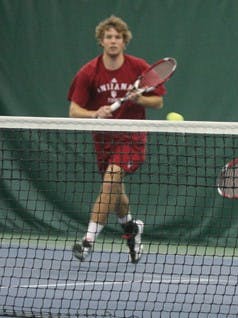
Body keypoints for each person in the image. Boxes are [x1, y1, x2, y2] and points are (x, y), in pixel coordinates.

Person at [67, 15, 166, 263]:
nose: (113, 41)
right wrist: (94, 113)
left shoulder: (138, 67)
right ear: (101, 41)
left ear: (124, 41)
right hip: (103, 139)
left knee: (111, 179)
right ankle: (131, 228)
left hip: (131, 135)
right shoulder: (88, 72)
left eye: (117, 37)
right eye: (108, 37)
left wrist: (138, 99)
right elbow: (74, 111)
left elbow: (158, 101)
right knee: (115, 189)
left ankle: (87, 241)